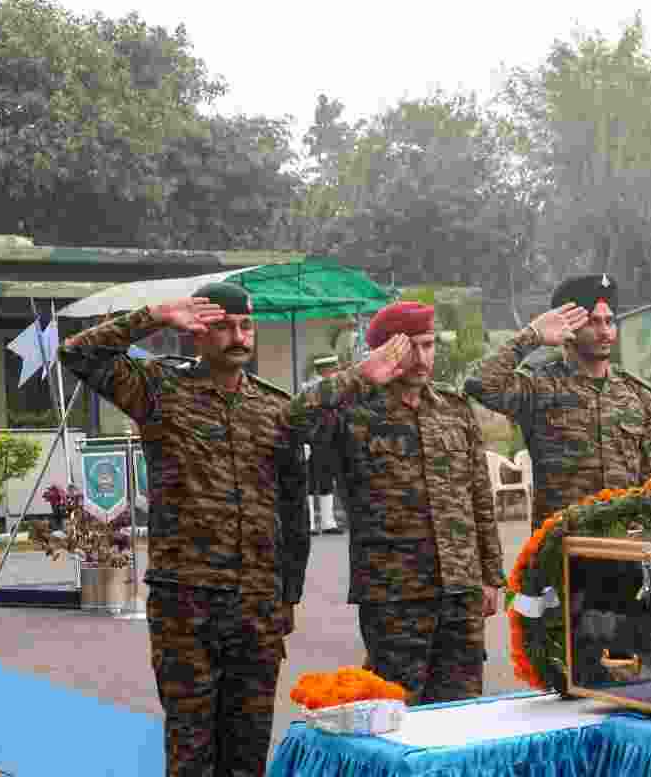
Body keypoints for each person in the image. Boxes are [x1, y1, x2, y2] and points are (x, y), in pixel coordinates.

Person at [60, 283, 309, 777]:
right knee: (191, 750)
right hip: (186, 604)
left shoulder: (277, 408)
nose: (237, 336)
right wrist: (153, 316)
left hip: (257, 606)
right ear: (197, 333)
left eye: (245, 325)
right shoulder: (158, 390)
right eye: (222, 326)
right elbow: (77, 353)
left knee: (248, 750)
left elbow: (292, 507)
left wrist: (289, 595)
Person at [291, 300, 506, 702]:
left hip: (459, 588)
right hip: (394, 592)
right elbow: (293, 420)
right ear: (384, 351)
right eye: (412, 348)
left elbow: (479, 494)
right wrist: (359, 375)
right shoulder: (352, 411)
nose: (423, 358)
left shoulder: (454, 409)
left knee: (462, 708)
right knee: (396, 708)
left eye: (429, 345)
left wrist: (492, 575)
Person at [465, 275, 651, 528]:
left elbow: (645, 482)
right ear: (566, 326)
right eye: (592, 322)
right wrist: (532, 336)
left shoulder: (637, 394)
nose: (604, 331)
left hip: (624, 547)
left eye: (609, 321)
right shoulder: (539, 387)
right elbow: (479, 383)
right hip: (561, 548)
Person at [304, 353, 344, 535]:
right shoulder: (313, 388)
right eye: (333, 368)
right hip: (314, 440)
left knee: (327, 479)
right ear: (325, 370)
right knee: (311, 481)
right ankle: (310, 522)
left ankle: (328, 522)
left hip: (329, 440)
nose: (336, 371)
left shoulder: (332, 386)